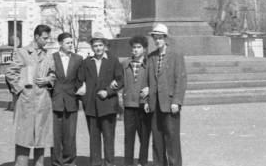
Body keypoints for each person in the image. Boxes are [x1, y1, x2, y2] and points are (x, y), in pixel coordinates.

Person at [5, 24, 56, 166]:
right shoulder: (22, 52)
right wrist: (21, 91)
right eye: (44, 38)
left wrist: (48, 80)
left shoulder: (48, 55)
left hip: (43, 101)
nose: (46, 41)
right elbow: (10, 73)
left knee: (41, 138)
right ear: (36, 37)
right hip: (26, 101)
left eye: (48, 38)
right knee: (24, 138)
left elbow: (53, 73)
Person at [78, 32, 124, 166]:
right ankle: (95, 163)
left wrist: (108, 91)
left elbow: (120, 80)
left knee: (109, 137)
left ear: (105, 46)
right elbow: (79, 81)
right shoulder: (86, 62)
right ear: (92, 47)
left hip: (108, 105)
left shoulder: (113, 60)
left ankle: (110, 163)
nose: (98, 48)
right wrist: (84, 96)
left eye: (100, 45)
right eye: (95, 45)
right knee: (94, 138)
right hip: (91, 107)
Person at [145, 23, 186, 166]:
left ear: (166, 38)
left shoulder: (176, 55)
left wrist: (177, 101)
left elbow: (180, 80)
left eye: (160, 38)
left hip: (170, 104)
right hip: (154, 104)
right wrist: (147, 101)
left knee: (172, 139)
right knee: (157, 139)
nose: (157, 41)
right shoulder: (151, 57)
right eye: (155, 38)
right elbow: (148, 81)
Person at [51, 32, 83, 166]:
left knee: (70, 134)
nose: (70, 45)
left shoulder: (78, 58)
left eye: (71, 42)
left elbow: (80, 78)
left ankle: (70, 162)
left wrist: (79, 89)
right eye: (68, 43)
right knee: (56, 135)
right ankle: (56, 162)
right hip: (56, 100)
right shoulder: (52, 58)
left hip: (71, 100)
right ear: (60, 44)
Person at [121, 35, 151, 166]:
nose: (136, 50)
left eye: (139, 47)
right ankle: (128, 162)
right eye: (134, 47)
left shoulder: (149, 64)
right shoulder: (125, 64)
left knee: (144, 136)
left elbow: (154, 82)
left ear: (144, 49)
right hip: (129, 105)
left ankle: (142, 162)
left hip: (143, 105)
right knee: (128, 136)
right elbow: (119, 81)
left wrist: (149, 91)